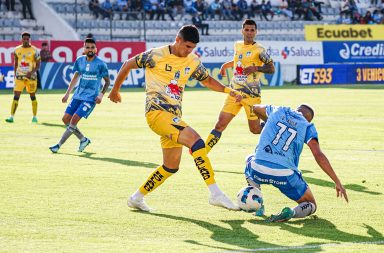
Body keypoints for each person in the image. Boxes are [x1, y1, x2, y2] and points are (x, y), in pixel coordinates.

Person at [108, 25, 242, 212]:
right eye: (187, 46)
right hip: (157, 113)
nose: (189, 51)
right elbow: (128, 64)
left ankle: (136, 198)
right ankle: (216, 193)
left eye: (192, 48)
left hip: (173, 117)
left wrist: (229, 90)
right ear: (177, 40)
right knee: (197, 142)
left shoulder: (192, 60)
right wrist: (115, 90)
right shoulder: (156, 55)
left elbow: (207, 80)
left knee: (170, 166)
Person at [244, 104, 349, 222]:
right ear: (308, 119)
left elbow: (255, 108)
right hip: (284, 174)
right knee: (311, 204)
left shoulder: (278, 110)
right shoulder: (307, 126)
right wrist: (337, 181)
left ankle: (258, 204)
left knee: (249, 159)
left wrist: (269, 122)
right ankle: (291, 212)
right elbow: (318, 155)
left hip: (258, 169)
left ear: (296, 110)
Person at [205, 19, 275, 154]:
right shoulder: (237, 45)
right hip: (234, 93)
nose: (249, 33)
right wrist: (226, 65)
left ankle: (272, 130)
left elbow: (271, 69)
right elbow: (238, 61)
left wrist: (255, 68)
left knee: (254, 130)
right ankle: (202, 153)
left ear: (256, 32)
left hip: (251, 95)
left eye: (252, 30)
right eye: (247, 30)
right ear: (242, 31)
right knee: (220, 124)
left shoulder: (259, 50)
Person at [49, 37, 110, 153]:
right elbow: (76, 76)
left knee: (75, 118)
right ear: (84, 49)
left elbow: (107, 82)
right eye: (87, 47)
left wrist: (101, 95)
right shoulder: (80, 60)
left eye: (92, 47)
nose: (90, 49)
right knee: (65, 119)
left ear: (96, 50)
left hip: (91, 98)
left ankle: (58, 145)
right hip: (78, 95)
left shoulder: (101, 64)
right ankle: (83, 139)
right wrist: (67, 94)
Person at [5, 32, 40, 123]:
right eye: (24, 39)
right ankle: (11, 117)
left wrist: (31, 72)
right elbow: (16, 63)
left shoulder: (35, 50)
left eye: (27, 39)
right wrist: (14, 74)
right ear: (21, 39)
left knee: (32, 96)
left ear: (29, 40)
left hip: (31, 77)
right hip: (19, 76)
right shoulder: (17, 50)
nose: (25, 40)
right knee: (16, 96)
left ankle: (34, 117)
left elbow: (38, 65)